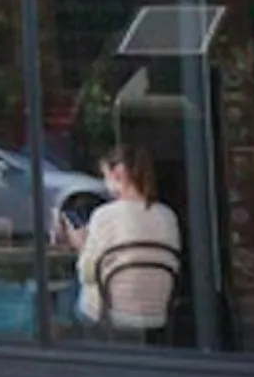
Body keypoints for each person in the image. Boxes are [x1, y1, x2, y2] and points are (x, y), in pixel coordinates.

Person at [65, 141, 181, 336]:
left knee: (66, 297)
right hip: (159, 313)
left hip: (110, 315)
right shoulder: (167, 215)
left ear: (117, 174)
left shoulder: (105, 216)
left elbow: (87, 273)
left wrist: (81, 246)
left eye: (105, 176)